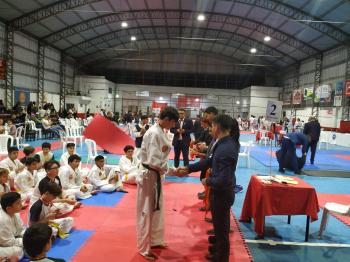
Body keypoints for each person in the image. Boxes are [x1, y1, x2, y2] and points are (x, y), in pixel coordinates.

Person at [177, 115, 240, 262]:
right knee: (219, 227)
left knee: (222, 229)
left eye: (212, 126)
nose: (210, 129)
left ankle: (221, 257)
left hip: (222, 193)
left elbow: (223, 179)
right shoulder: (224, 143)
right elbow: (210, 160)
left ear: (218, 127)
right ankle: (217, 248)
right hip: (221, 193)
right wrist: (189, 169)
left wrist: (208, 180)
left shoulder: (226, 148)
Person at [136, 106, 179, 260]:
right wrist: (172, 170)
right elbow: (154, 160)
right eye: (173, 122)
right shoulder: (154, 133)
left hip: (156, 174)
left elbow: (160, 158)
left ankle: (155, 240)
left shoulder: (160, 131)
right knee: (147, 211)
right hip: (150, 174)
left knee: (158, 209)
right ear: (167, 119)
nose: (173, 126)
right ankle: (143, 247)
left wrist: (169, 169)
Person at [0, 192, 25, 260]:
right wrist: (25, 241)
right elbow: (6, 242)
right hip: (2, 244)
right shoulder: (2, 220)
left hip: (12, 239)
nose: (21, 205)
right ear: (9, 208)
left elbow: (21, 229)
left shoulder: (15, 213)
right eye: (18, 203)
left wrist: (27, 236)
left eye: (20, 202)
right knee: (17, 251)